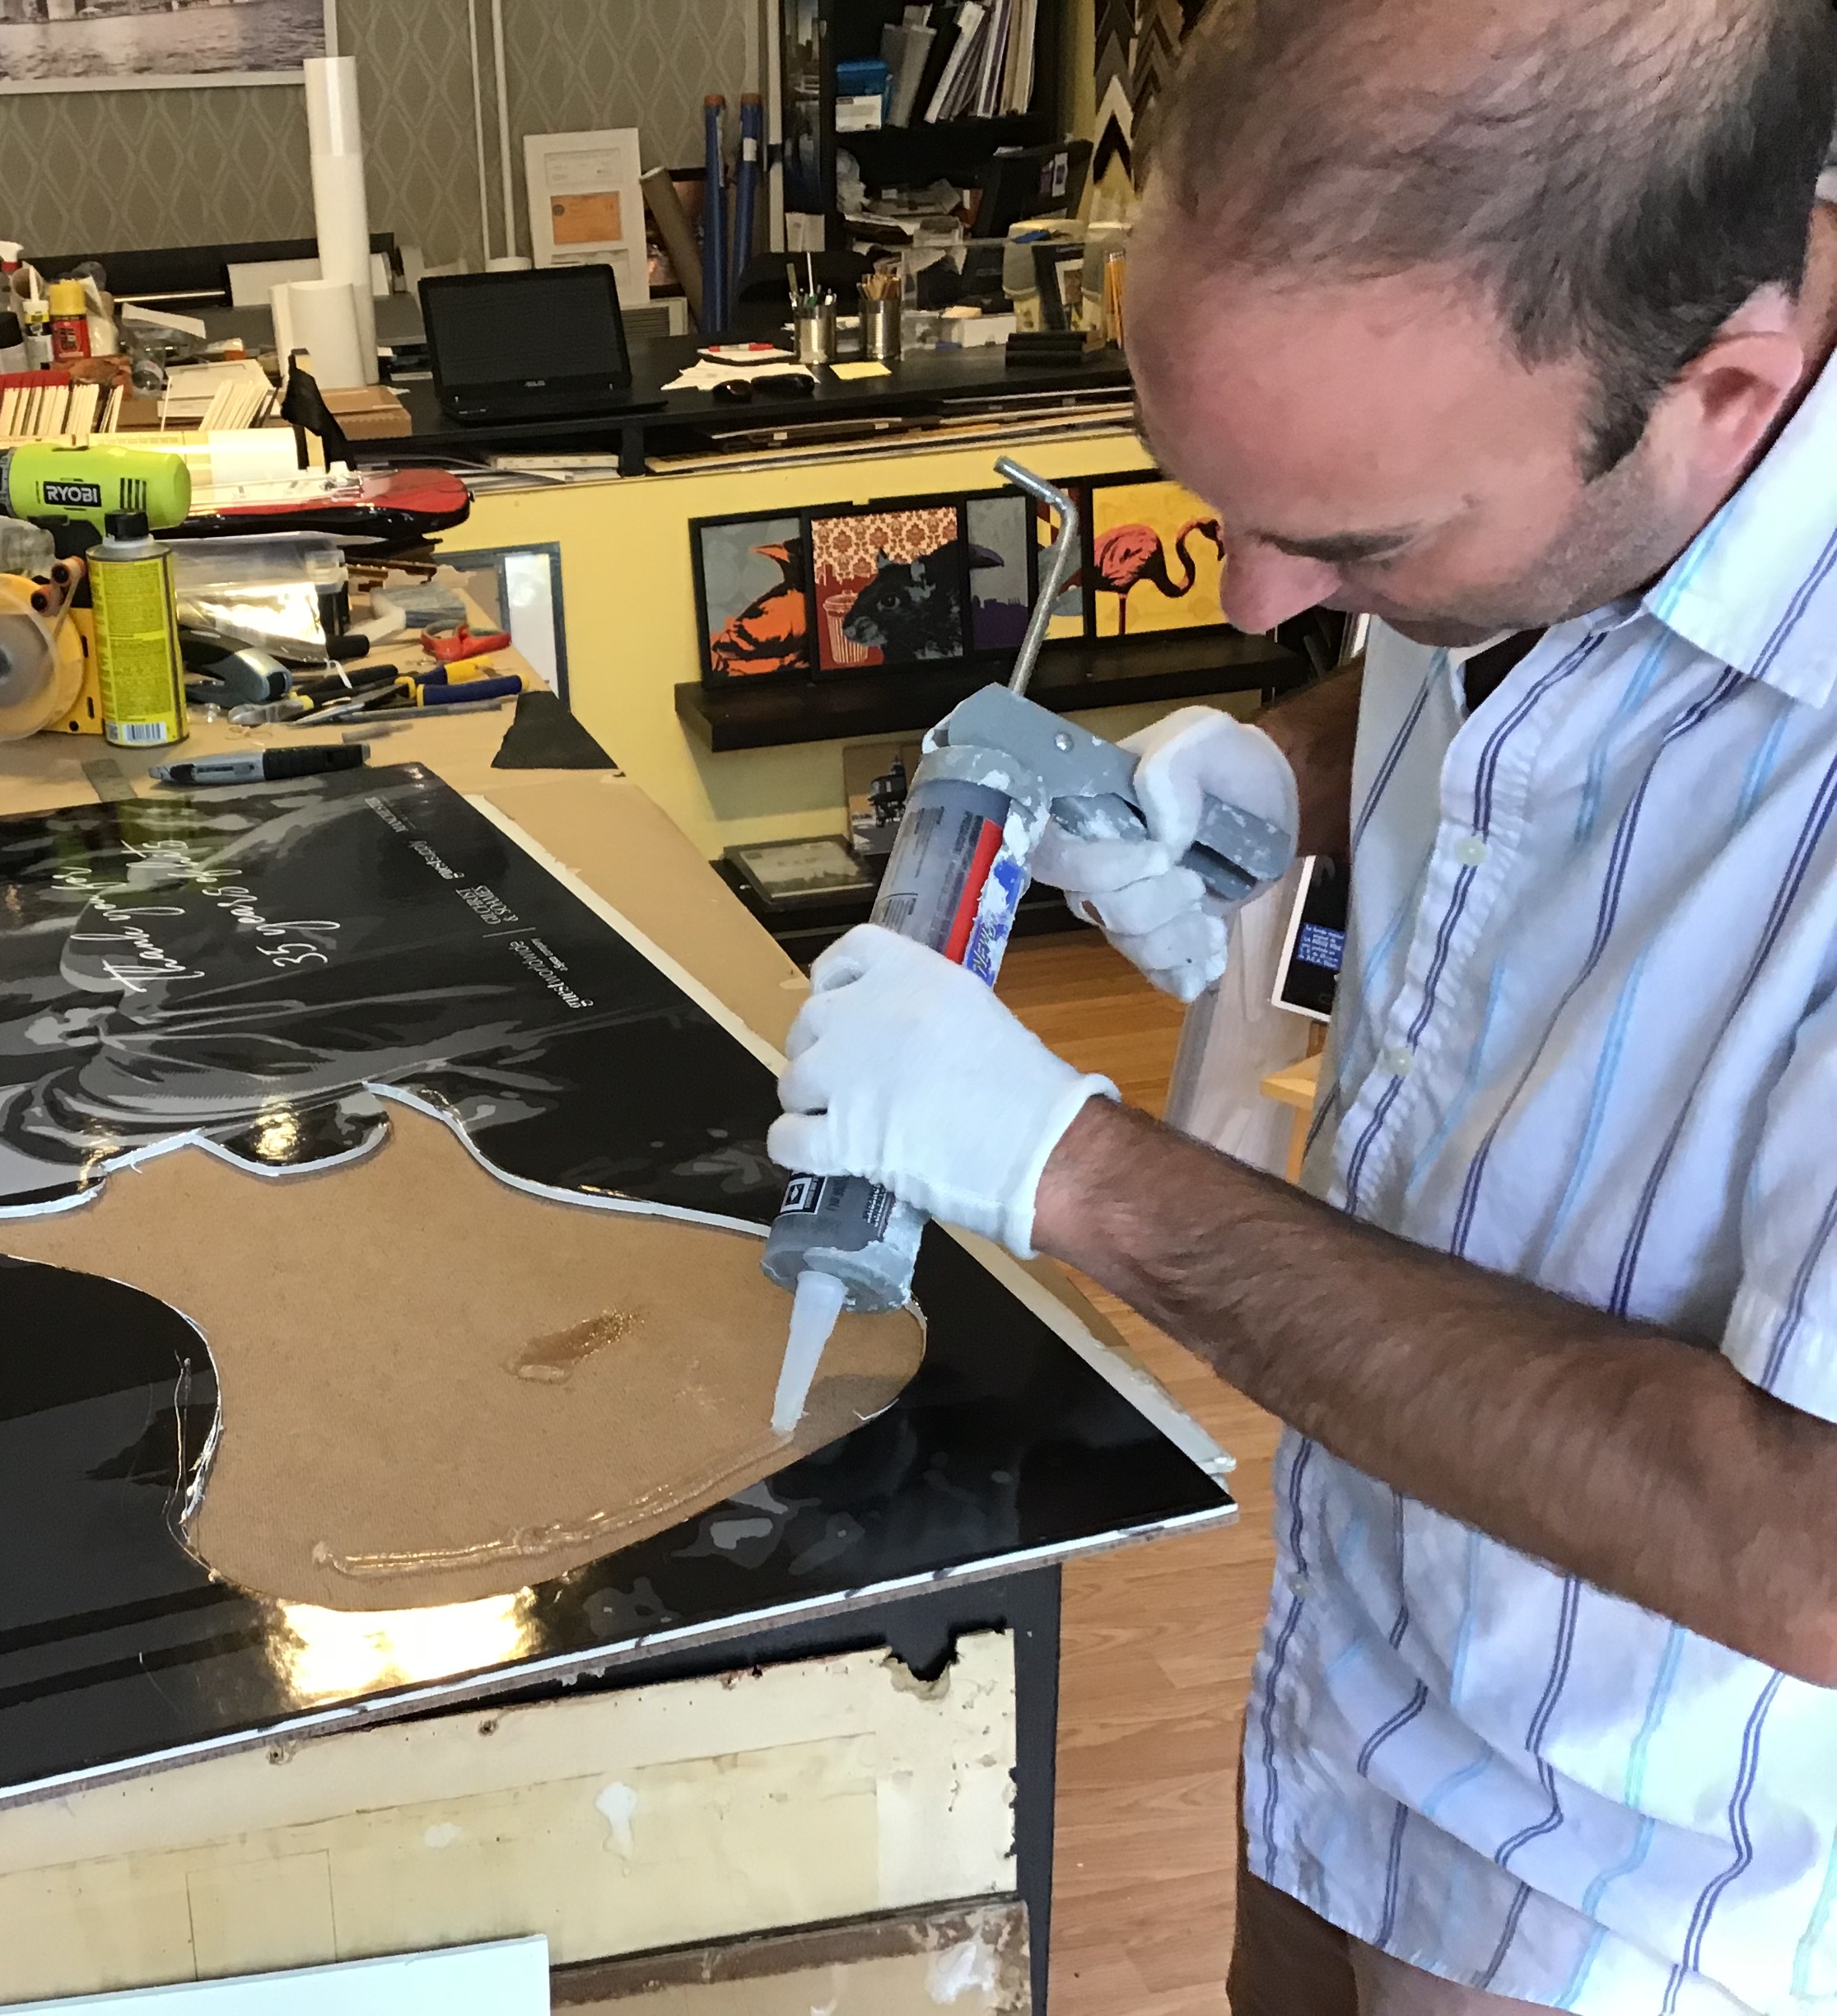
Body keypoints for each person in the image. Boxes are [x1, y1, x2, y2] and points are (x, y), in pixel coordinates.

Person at [771, 2, 1837, 2010]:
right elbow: (1554, 665)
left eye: (1351, 543)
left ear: (1726, 393)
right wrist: (1287, 782)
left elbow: (1809, 1546)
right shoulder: (1586, 390)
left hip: (1633, 1877)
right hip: (1352, 1669)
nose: (1258, 595)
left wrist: (1088, 1180)